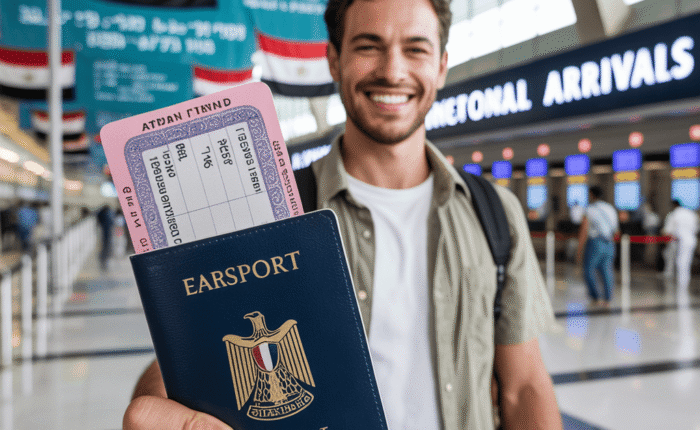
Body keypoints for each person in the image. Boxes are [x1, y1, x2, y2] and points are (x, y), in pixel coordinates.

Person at [123, 1, 562, 429]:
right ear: (333, 60)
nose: (392, 71)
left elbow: (523, 386)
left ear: (442, 65)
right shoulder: (268, 209)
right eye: (368, 46)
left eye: (416, 49)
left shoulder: (494, 212)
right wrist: (159, 401)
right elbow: (192, 359)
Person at [577, 186, 619, 307]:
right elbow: (616, 230)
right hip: (609, 242)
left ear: (591, 194)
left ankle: (595, 297)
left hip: (595, 242)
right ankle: (607, 298)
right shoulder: (610, 208)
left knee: (588, 269)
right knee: (606, 270)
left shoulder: (589, 209)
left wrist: (579, 249)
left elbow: (584, 230)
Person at [661, 200, 699, 296]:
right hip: (691, 240)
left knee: (681, 262)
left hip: (680, 241)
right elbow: (696, 228)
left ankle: (682, 284)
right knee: (686, 261)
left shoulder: (675, 214)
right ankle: (683, 282)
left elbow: (668, 229)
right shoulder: (690, 213)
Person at [96, 205, 114, 271]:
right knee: (106, 244)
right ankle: (104, 256)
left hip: (105, 231)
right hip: (106, 232)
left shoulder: (103, 214)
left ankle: (104, 256)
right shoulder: (107, 214)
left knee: (105, 244)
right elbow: (111, 223)